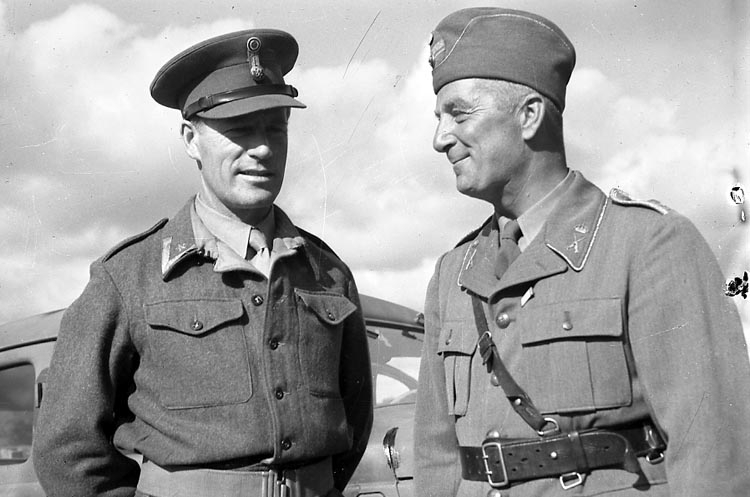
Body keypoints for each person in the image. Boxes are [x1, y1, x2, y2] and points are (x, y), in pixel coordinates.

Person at [414, 7, 750, 497]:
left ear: (529, 116)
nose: (440, 138)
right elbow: (437, 461)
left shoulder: (649, 244)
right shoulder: (453, 273)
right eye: (439, 118)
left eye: (459, 114)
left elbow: (715, 453)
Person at [32, 29, 373, 497]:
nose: (263, 149)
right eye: (240, 129)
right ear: (191, 139)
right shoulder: (129, 277)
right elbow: (68, 449)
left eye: (276, 128)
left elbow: (354, 422)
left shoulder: (328, 273)